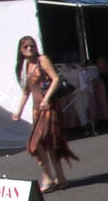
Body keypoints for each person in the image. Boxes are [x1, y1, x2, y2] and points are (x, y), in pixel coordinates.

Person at [12, 36, 78, 192]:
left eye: (32, 46)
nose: (29, 49)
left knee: (36, 143)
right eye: (26, 47)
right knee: (49, 143)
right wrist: (18, 111)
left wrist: (46, 98)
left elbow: (55, 79)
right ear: (21, 51)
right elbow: (26, 91)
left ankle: (47, 177)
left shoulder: (43, 59)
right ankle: (60, 178)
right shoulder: (27, 66)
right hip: (37, 110)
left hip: (48, 107)